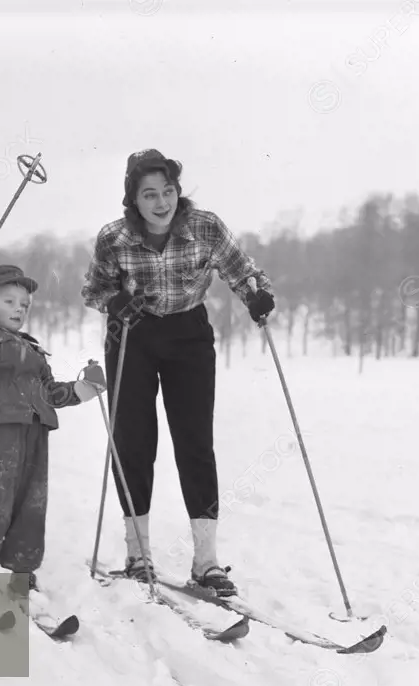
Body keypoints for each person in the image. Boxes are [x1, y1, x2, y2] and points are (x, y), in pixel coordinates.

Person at [81, 149, 276, 596]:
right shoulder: (114, 238)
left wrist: (256, 295)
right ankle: (138, 555)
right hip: (132, 334)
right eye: (150, 194)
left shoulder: (204, 227)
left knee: (195, 443)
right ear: (133, 199)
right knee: (134, 442)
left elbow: (243, 271)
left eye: (167, 191)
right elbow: (94, 288)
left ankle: (206, 563)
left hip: (188, 334)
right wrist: (113, 303)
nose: (161, 202)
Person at [0, 264, 107, 598]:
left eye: (24, 305)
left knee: (32, 503)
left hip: (34, 434)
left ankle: (22, 571)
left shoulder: (33, 350)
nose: (19, 309)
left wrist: (82, 388)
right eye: (9, 301)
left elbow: (48, 393)